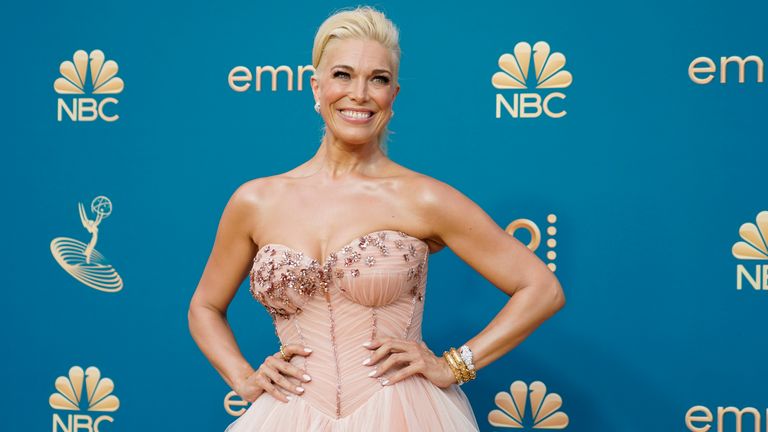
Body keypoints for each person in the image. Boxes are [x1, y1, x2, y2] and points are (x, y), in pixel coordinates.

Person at [188, 5, 565, 431]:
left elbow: (541, 289)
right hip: (288, 416)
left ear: (394, 96)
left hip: (405, 414)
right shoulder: (255, 200)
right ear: (316, 87)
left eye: (378, 79)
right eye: (343, 75)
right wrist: (242, 376)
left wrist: (455, 365)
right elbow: (205, 306)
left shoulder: (423, 197)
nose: (360, 94)